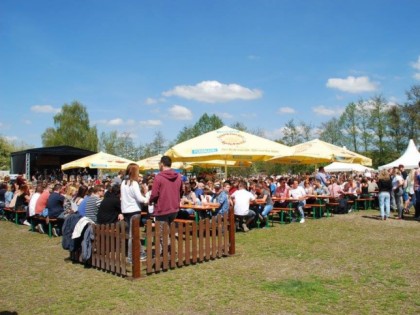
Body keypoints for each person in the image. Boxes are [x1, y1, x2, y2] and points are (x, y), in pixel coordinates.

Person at [149, 156, 183, 252]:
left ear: (162, 164)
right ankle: (164, 252)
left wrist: (151, 200)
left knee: (161, 233)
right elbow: (181, 191)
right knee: (167, 231)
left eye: (159, 164)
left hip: (162, 208)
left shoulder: (158, 177)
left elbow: (154, 193)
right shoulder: (178, 176)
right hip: (174, 208)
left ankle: (164, 255)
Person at [121, 163, 149, 262]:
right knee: (133, 235)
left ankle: (141, 253)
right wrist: (147, 198)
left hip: (126, 211)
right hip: (134, 211)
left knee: (133, 233)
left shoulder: (123, 182)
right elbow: (140, 198)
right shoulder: (134, 183)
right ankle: (130, 257)